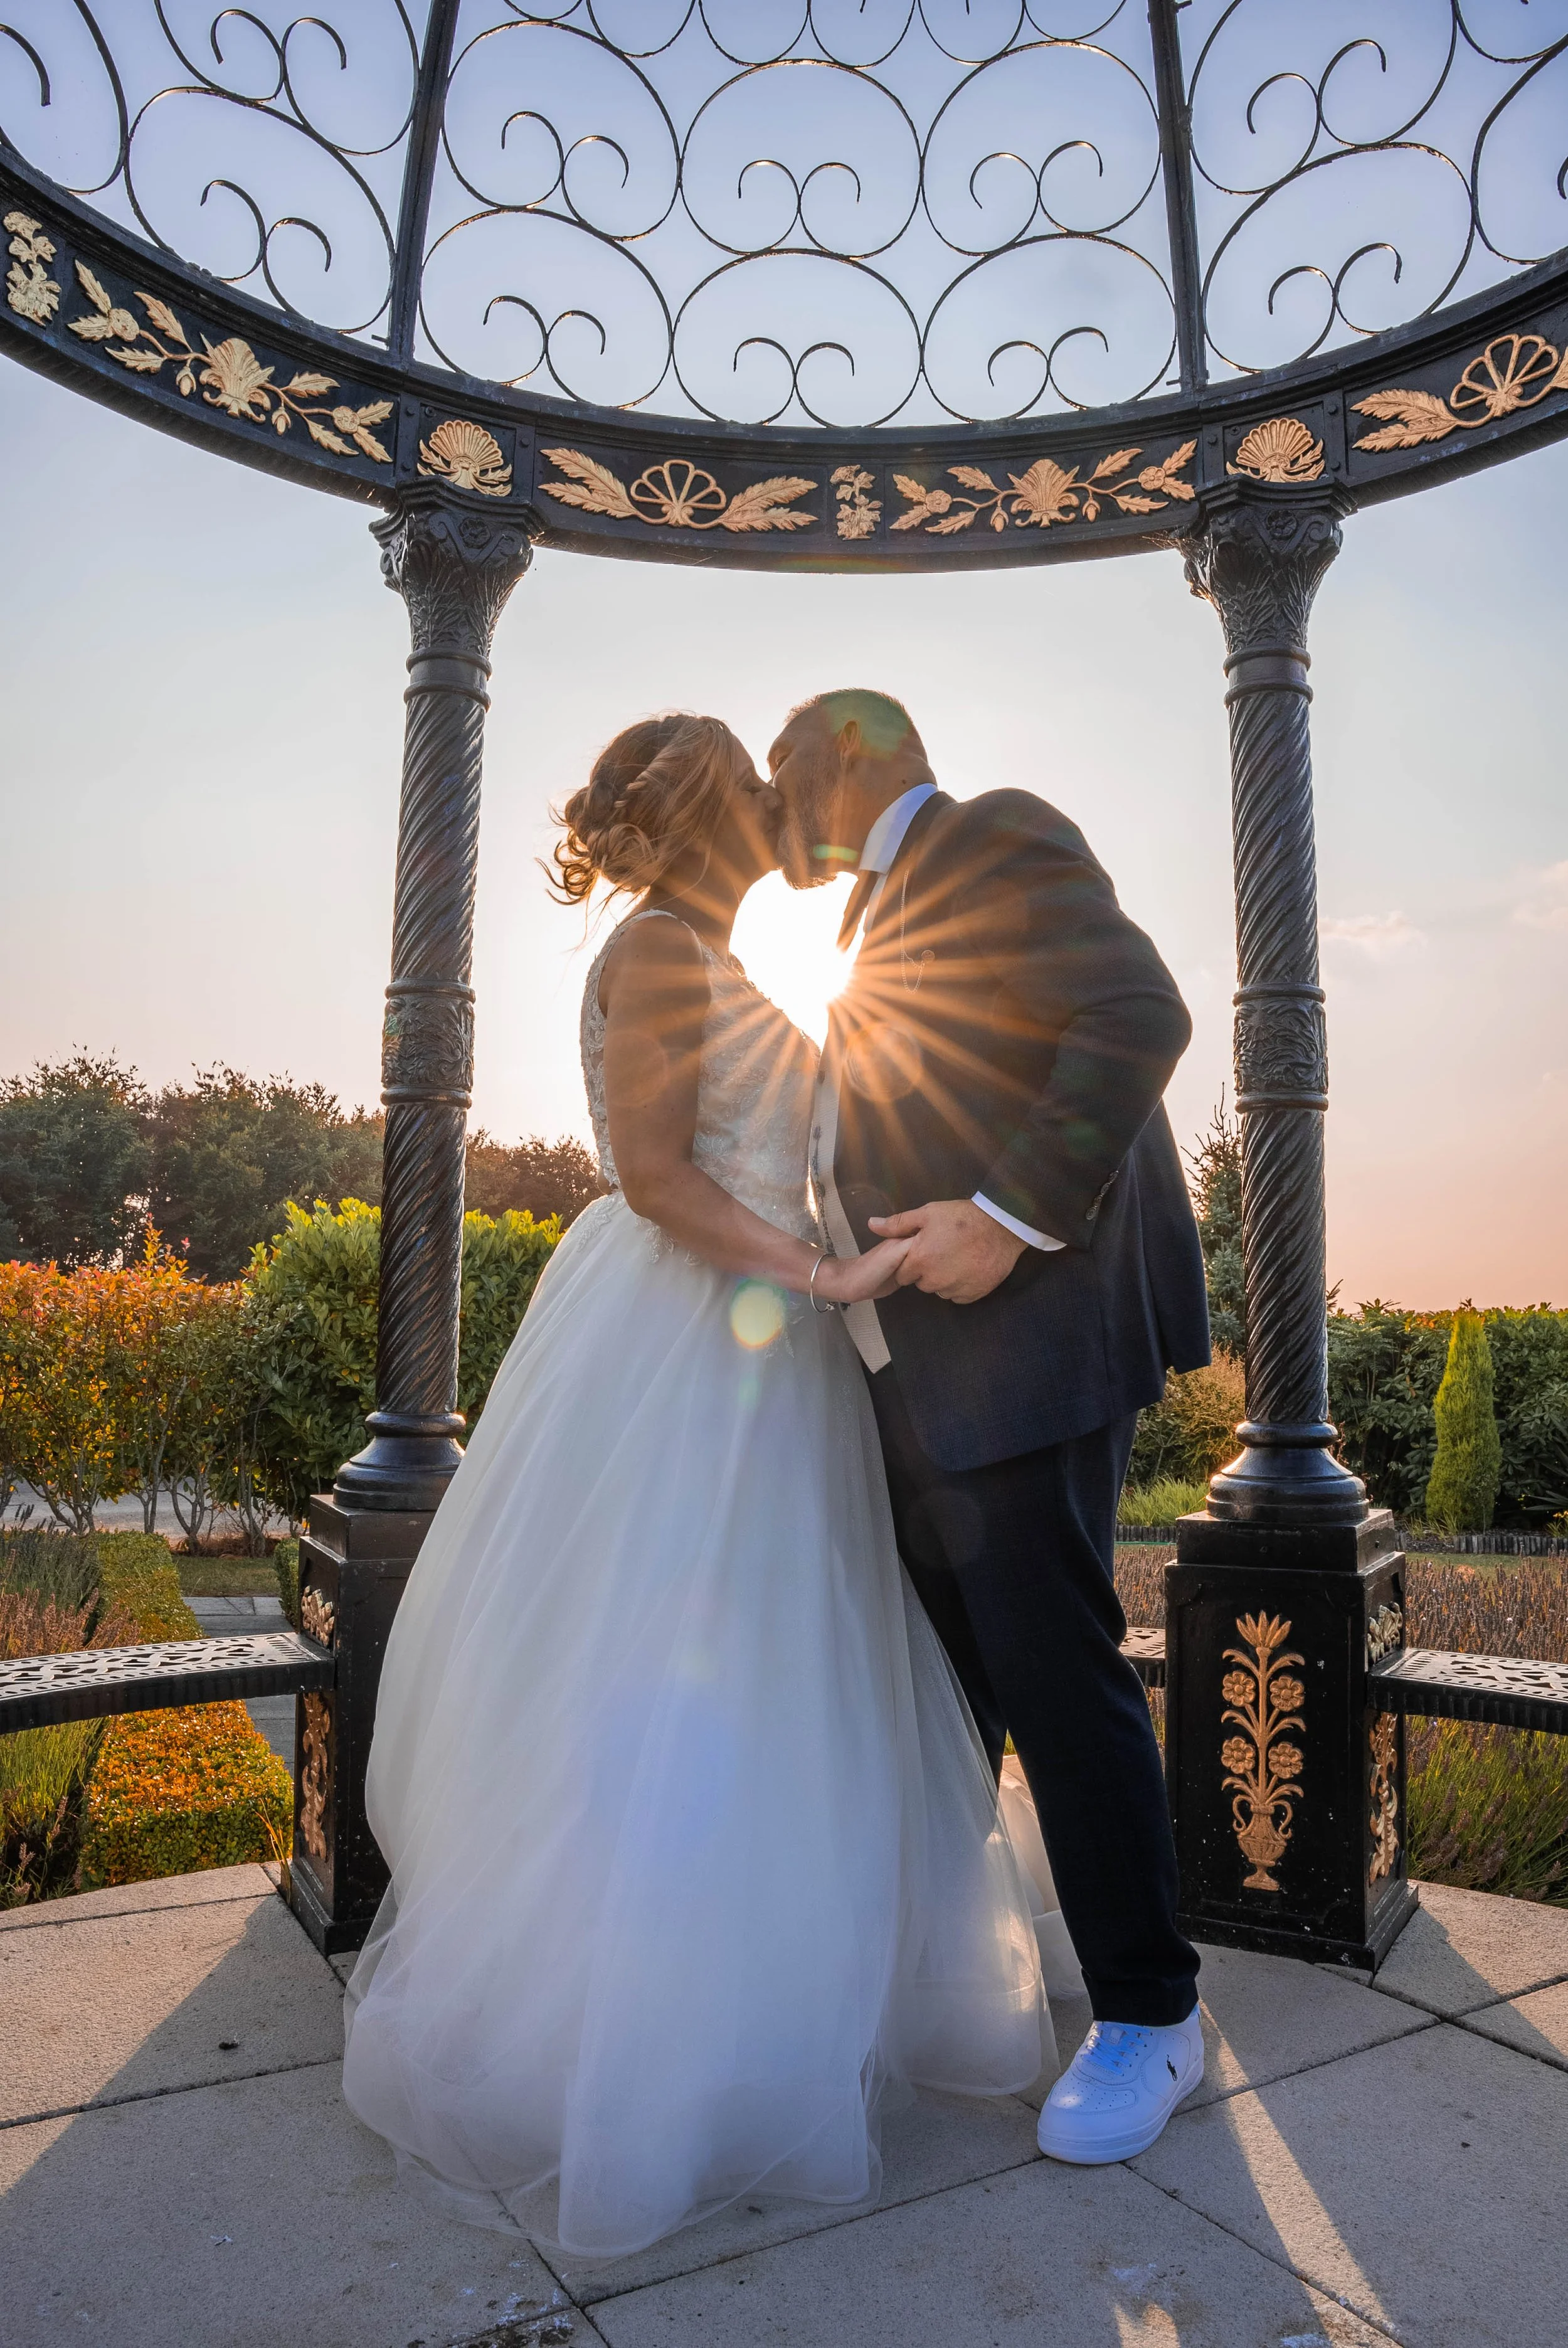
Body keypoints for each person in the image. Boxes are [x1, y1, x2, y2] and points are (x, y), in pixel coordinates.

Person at [341, 713, 1047, 2261]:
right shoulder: (660, 953)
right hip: (688, 1333)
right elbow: (655, 1174)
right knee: (664, 1673)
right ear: (703, 816)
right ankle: (633, 2041)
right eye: (750, 791)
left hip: (776, 1342)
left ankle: (769, 1999)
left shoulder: (731, 958)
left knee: (786, 1671)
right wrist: (818, 1266)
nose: (774, 810)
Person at [766, 689, 1212, 2165]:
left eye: (782, 787)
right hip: (924, 1361)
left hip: (1031, 1336)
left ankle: (1154, 2014)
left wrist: (1006, 1217)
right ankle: (959, 1971)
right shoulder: (872, 913)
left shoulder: (991, 835)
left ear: (843, 760)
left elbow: (1139, 1011)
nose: (776, 824)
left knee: (1049, 1655)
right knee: (949, 1675)